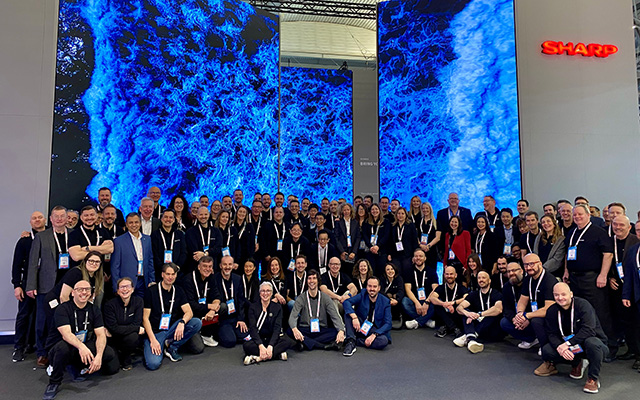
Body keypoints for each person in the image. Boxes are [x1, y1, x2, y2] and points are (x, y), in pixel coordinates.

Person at [43, 279, 119, 400]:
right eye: (80, 290)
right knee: (63, 348)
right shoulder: (63, 309)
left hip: (79, 345)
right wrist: (82, 347)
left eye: (87, 289)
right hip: (60, 346)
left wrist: (99, 356)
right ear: (73, 293)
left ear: (91, 293)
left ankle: (76, 367)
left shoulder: (94, 309)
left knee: (108, 353)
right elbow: (66, 334)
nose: (84, 292)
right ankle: (54, 382)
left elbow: (100, 334)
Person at [563, 204, 617, 359]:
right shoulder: (572, 233)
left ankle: (609, 348)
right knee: (579, 313)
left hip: (592, 279)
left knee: (600, 313)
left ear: (588, 215)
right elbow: (568, 254)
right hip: (574, 278)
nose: (577, 217)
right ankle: (584, 347)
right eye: (575, 215)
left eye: (580, 214)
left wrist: (603, 275)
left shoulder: (598, 232)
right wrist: (566, 271)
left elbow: (608, 255)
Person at [537, 283, 609, 394]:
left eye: (563, 294)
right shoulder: (552, 310)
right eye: (556, 295)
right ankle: (577, 363)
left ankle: (593, 379)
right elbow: (551, 334)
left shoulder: (583, 305)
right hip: (571, 346)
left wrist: (568, 344)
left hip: (592, 344)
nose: (560, 298)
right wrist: (560, 347)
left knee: (592, 343)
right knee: (547, 351)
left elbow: (589, 330)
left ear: (571, 294)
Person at [26, 206, 71, 367]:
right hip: (46, 285)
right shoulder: (41, 237)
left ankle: (63, 351)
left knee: (67, 320)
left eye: (62, 216)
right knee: (43, 321)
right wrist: (31, 285)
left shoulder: (73, 235)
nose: (59, 219)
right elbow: (32, 263)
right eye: (56, 216)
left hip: (68, 286)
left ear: (67, 219)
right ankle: (42, 353)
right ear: (50, 219)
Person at [142, 263, 202, 370]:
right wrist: (152, 340)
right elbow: (145, 318)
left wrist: (182, 322)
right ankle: (159, 344)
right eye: (168, 274)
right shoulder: (151, 291)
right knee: (153, 364)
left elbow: (189, 312)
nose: (170, 277)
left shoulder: (178, 290)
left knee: (196, 322)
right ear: (162, 275)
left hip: (172, 329)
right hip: (156, 332)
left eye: (173, 274)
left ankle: (172, 347)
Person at [12, 211, 46, 362]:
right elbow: (17, 264)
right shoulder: (24, 241)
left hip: (46, 283)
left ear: (45, 220)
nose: (37, 220)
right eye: (34, 218)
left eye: (40, 217)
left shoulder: (51, 237)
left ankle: (37, 345)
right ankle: (19, 347)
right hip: (27, 284)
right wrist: (17, 285)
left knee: (42, 316)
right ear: (30, 222)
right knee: (24, 315)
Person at [504, 253, 556, 350]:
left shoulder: (549, 281)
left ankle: (545, 345)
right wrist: (519, 314)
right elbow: (522, 301)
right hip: (533, 314)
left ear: (540, 264)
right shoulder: (528, 279)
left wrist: (527, 316)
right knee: (505, 322)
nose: (528, 267)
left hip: (547, 316)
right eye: (526, 265)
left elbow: (548, 309)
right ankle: (530, 339)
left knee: (537, 321)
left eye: (532, 264)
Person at [289, 269, 346, 350]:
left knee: (336, 332)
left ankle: (305, 343)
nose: (312, 281)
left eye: (314, 278)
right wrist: (294, 329)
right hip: (306, 329)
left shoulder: (325, 297)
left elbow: (335, 315)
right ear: (306, 281)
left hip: (321, 329)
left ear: (318, 281)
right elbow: (293, 316)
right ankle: (323, 346)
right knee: (290, 331)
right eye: (309, 278)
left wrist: (341, 330)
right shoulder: (301, 298)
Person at [608, 216, 640, 363]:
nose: (618, 227)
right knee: (628, 322)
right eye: (615, 224)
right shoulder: (634, 249)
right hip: (625, 289)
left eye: (622, 225)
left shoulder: (634, 242)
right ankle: (634, 351)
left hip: (635, 289)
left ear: (629, 227)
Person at [243, 282, 295, 365]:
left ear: (271, 293)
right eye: (263, 291)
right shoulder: (253, 307)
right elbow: (252, 328)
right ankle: (277, 355)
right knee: (246, 346)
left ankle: (258, 358)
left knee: (288, 341)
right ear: (259, 293)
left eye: (268, 291)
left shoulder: (277, 307)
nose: (265, 293)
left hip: (272, 339)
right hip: (258, 339)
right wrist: (260, 345)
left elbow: (277, 328)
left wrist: (270, 346)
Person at [454, 271, 505, 353]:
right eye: (479, 278)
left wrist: (480, 314)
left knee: (492, 314)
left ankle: (468, 336)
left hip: (492, 329)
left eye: (484, 278)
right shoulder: (474, 294)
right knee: (466, 312)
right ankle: (472, 340)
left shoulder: (496, 293)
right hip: (479, 328)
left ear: (489, 281)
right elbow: (459, 308)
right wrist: (468, 314)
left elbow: (498, 309)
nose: (481, 280)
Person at [343, 276, 392, 356]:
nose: (372, 289)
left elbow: (388, 323)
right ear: (366, 287)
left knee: (383, 341)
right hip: (360, 325)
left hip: (374, 330)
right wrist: (354, 317)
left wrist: (374, 335)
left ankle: (356, 341)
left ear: (379, 288)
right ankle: (350, 342)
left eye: (374, 286)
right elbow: (346, 302)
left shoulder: (385, 301)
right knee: (348, 314)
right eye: (369, 286)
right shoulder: (363, 294)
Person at [103, 277, 144, 370]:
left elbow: (136, 323)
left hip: (127, 339)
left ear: (133, 289)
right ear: (117, 290)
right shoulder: (109, 305)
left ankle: (126, 356)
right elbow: (113, 328)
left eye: (128, 286)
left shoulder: (138, 302)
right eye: (122, 287)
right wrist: (136, 329)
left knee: (133, 337)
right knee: (112, 369)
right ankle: (117, 354)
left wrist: (134, 328)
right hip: (112, 340)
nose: (125, 289)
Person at [111, 213, 154, 297]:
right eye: (130, 223)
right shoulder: (118, 241)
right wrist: (116, 286)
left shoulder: (147, 239)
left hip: (143, 281)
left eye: (136, 222)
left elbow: (150, 261)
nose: (134, 225)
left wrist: (151, 280)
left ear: (140, 223)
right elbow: (115, 266)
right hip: (126, 283)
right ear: (126, 224)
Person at [210, 256, 249, 347]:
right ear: (220, 266)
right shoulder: (214, 279)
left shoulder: (237, 279)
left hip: (235, 317)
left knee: (246, 336)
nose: (227, 267)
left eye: (230, 264)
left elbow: (241, 300)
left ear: (233, 266)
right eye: (225, 264)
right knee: (230, 342)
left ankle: (233, 333)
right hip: (222, 319)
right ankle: (221, 332)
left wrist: (241, 319)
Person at [182, 256, 219, 348]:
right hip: (192, 315)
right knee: (198, 348)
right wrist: (210, 306)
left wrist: (213, 310)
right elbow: (191, 305)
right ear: (199, 267)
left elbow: (217, 297)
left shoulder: (212, 277)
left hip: (205, 312)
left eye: (210, 266)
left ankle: (206, 334)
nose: (207, 269)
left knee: (222, 306)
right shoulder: (188, 280)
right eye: (205, 266)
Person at [402, 249, 438, 330]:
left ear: (425, 258)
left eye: (421, 256)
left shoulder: (431, 271)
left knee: (438, 300)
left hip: (428, 300)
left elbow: (435, 289)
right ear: (413, 258)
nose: (418, 258)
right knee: (404, 302)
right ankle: (426, 320)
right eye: (416, 256)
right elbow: (408, 290)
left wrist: (427, 302)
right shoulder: (408, 271)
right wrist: (417, 303)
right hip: (415, 300)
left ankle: (417, 322)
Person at [430, 266, 468, 338]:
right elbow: (432, 298)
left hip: (456, 313)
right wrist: (443, 304)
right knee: (437, 306)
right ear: (444, 275)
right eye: (447, 274)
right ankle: (454, 328)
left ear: (455, 275)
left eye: (451, 274)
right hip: (445, 312)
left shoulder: (461, 287)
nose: (449, 276)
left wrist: (453, 303)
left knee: (461, 307)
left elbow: (467, 297)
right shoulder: (441, 287)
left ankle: (446, 327)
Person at [151, 209, 187, 280]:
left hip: (177, 273)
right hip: (160, 273)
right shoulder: (155, 235)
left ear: (174, 220)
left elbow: (184, 252)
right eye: (166, 217)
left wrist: (177, 267)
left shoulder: (179, 234)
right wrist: (163, 269)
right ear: (161, 219)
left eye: (170, 217)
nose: (168, 219)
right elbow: (154, 254)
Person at [185, 206, 223, 275]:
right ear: (197, 215)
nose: (203, 217)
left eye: (205, 214)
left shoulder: (216, 231)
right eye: (201, 214)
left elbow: (218, 248)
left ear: (209, 215)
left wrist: (205, 254)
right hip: (195, 268)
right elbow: (193, 251)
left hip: (213, 268)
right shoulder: (190, 231)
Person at [534, 214, 566, 279]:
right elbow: (535, 253)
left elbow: (557, 260)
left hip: (553, 274)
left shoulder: (561, 240)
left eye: (548, 221)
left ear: (554, 224)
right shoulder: (539, 237)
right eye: (543, 222)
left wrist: (541, 269)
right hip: (537, 273)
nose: (546, 224)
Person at [388, 207, 418, 276]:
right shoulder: (393, 226)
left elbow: (414, 240)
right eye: (398, 213)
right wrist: (389, 253)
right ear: (396, 215)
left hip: (407, 254)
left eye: (402, 213)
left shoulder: (411, 225)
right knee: (397, 271)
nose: (400, 215)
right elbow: (390, 241)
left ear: (406, 215)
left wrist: (414, 254)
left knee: (407, 272)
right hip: (395, 254)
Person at [363, 203, 391, 277]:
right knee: (371, 272)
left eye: (376, 209)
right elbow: (365, 236)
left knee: (381, 272)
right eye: (372, 209)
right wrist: (371, 247)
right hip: (370, 251)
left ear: (379, 210)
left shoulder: (386, 222)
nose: (374, 211)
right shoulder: (366, 222)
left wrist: (378, 246)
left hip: (381, 251)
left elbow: (386, 236)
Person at [443, 215, 471, 281]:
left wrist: (466, 265)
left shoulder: (465, 234)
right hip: (450, 263)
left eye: (456, 222)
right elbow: (446, 250)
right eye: (452, 222)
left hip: (461, 264)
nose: (453, 224)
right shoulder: (447, 235)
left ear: (459, 223)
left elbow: (468, 250)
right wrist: (445, 264)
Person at [335, 203, 360, 273]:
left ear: (351, 211)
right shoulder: (338, 222)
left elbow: (358, 237)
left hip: (352, 250)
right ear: (342, 211)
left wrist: (354, 252)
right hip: (342, 251)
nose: (346, 212)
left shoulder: (355, 222)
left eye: (348, 210)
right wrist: (342, 251)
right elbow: (336, 238)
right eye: (344, 210)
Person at [416, 201, 440, 273]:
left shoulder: (436, 221)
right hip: (420, 250)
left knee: (431, 271)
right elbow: (415, 235)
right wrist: (420, 244)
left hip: (431, 250)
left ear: (430, 209)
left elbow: (438, 237)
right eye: (423, 208)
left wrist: (428, 246)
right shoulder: (418, 221)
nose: (425, 210)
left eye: (427, 208)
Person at [381, 262, 405, 329]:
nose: (390, 271)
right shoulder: (382, 279)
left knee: (404, 301)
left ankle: (399, 317)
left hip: (396, 301)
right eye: (388, 270)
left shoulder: (399, 279)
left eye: (392, 269)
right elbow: (380, 291)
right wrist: (389, 299)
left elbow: (401, 291)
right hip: (386, 301)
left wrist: (396, 299)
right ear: (385, 272)